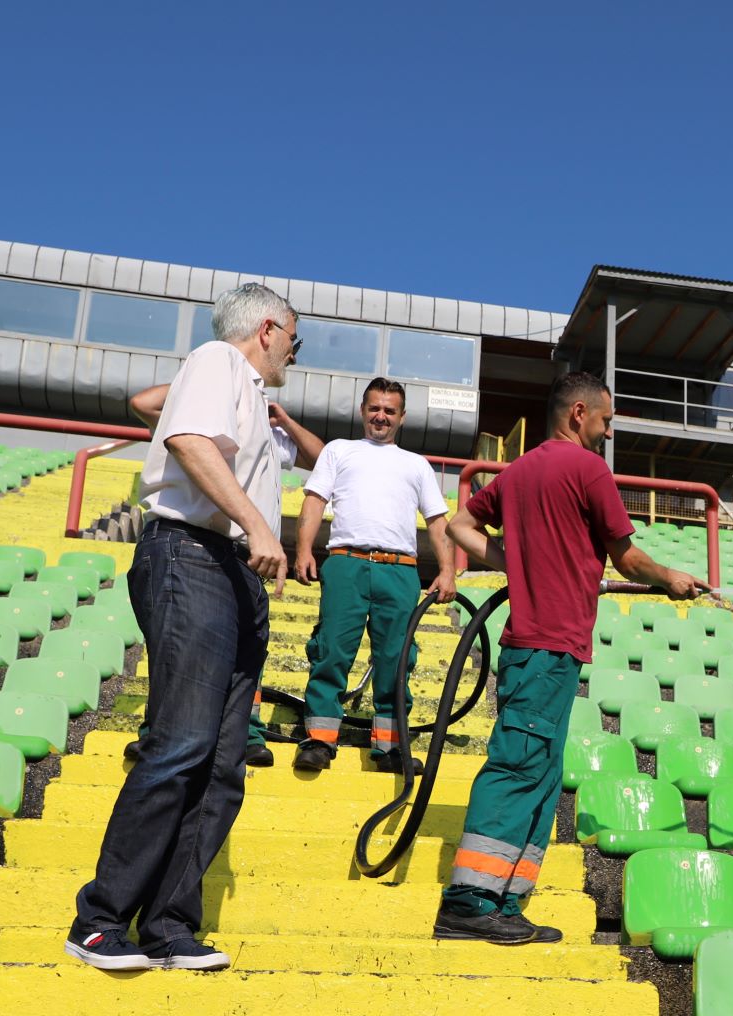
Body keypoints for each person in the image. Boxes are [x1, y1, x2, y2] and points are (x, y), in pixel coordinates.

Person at [64, 283, 296, 973]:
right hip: (194, 556)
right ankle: (101, 919)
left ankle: (168, 925)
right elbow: (188, 439)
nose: (294, 352)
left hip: (234, 570)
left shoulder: (246, 388)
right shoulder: (218, 360)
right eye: (294, 338)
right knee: (182, 743)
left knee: (223, 762)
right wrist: (258, 526)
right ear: (267, 328)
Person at [437, 371, 706, 944]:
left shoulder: (516, 472)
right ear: (579, 413)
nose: (608, 432)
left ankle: (505, 903)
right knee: (519, 765)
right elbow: (627, 559)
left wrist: (512, 562)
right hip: (546, 646)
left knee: (540, 770)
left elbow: (460, 524)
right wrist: (671, 578)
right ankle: (468, 902)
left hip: (542, 649)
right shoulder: (588, 469)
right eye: (606, 420)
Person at [122, 381, 325, 768]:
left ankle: (246, 733)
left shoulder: (266, 433)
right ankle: (156, 732)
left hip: (245, 553)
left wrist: (284, 420)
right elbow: (141, 402)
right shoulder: (199, 415)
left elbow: (324, 458)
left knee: (243, 655)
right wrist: (210, 378)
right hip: (198, 543)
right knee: (180, 648)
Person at [292, 378, 456, 775]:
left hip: (400, 571)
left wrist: (448, 570)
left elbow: (437, 523)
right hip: (346, 563)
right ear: (363, 410)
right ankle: (319, 740)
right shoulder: (338, 451)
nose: (381, 416)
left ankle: (389, 747)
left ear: (402, 416)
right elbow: (314, 503)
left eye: (389, 410)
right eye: (375, 408)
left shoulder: (416, 464)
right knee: (332, 650)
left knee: (396, 660)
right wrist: (303, 550)